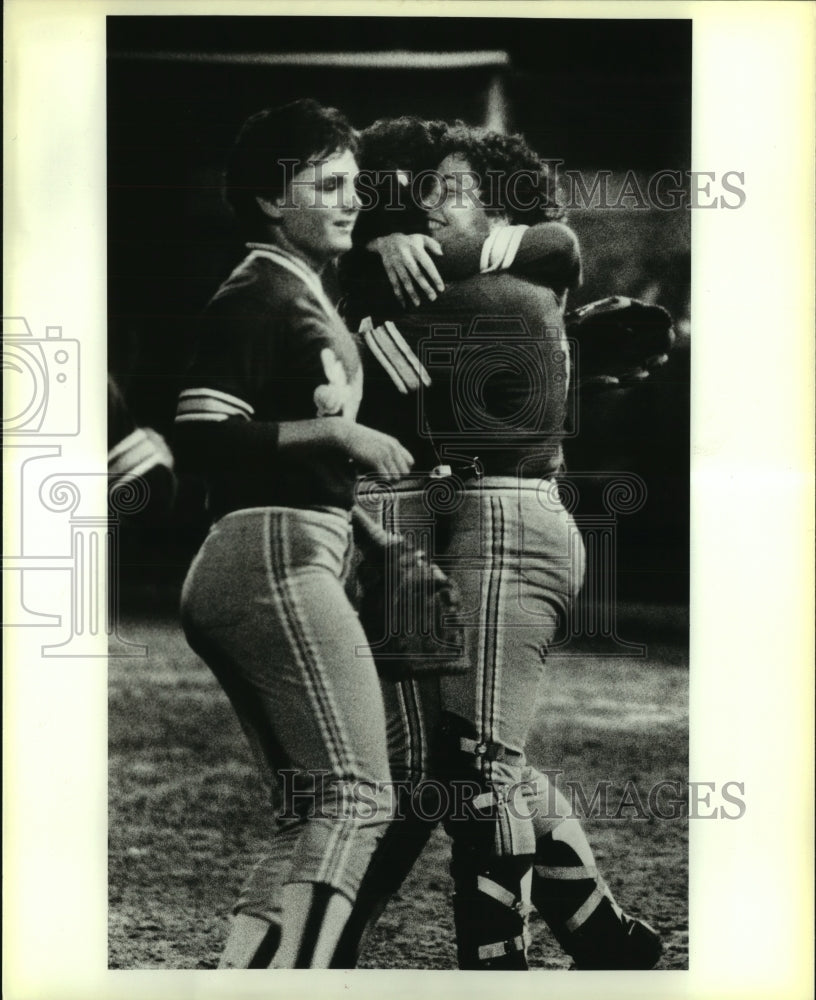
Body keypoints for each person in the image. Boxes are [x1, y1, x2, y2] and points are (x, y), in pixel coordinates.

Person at [336, 121, 662, 970]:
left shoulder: (525, 266)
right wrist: (374, 262)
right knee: (457, 752)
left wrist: (368, 263)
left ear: (504, 205)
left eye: (452, 187)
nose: (425, 201)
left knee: (472, 763)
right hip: (466, 515)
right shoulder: (470, 282)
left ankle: (495, 967)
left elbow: (556, 241)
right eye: (422, 189)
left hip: (510, 520)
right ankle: (597, 929)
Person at [173, 99, 414, 969]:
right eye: (330, 184)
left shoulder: (303, 290)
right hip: (270, 555)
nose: (354, 200)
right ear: (274, 201)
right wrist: (338, 436)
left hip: (276, 552)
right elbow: (197, 432)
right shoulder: (258, 292)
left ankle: (245, 979)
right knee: (356, 795)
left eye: (355, 183)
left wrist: (371, 537)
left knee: (311, 804)